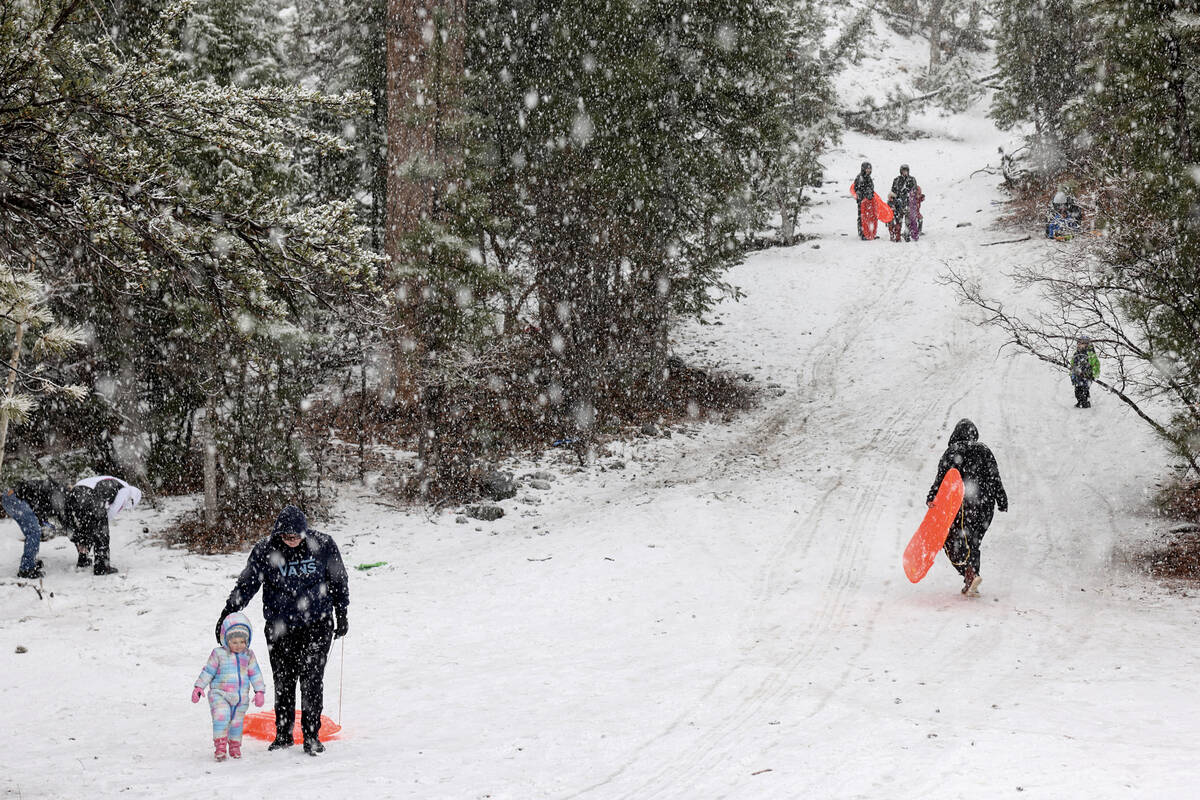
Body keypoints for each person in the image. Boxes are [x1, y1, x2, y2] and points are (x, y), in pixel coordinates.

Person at [215, 505, 349, 755]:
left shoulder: (323, 544)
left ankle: (311, 736)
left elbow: (338, 579)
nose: (292, 541)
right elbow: (246, 584)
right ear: (278, 533)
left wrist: (342, 612)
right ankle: (284, 734)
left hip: (317, 625)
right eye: (287, 536)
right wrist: (228, 613)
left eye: (296, 536)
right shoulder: (266, 550)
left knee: (311, 680)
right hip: (280, 628)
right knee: (284, 681)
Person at [925, 419, 1008, 596]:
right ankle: (971, 576)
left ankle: (969, 573)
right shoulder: (985, 450)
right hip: (986, 505)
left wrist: (932, 497)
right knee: (973, 541)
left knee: (949, 540)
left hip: (964, 503)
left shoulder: (953, 451)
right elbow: (995, 477)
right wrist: (1001, 499)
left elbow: (942, 478)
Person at [193, 611, 266, 761]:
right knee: (222, 717)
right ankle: (220, 746)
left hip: (240, 698)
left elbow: (255, 673)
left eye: (242, 642)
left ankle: (234, 746)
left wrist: (259, 691)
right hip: (220, 694)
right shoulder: (218, 654)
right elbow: (208, 670)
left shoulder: (249, 655)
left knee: (237, 723)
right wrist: (199, 687)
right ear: (226, 640)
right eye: (234, 642)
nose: (238, 646)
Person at [3, 478, 66, 579]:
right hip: (15, 498)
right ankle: (26, 569)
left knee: (34, 531)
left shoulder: (55, 492)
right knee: (34, 532)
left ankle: (29, 562)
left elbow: (40, 509)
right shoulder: (56, 494)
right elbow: (40, 507)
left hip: (10, 497)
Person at [61, 483, 119, 575]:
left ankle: (83, 560)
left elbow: (68, 524)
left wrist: (77, 539)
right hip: (94, 507)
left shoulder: (72, 496)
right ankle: (101, 567)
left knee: (85, 530)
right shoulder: (113, 487)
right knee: (101, 535)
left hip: (84, 508)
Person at [887, 164, 919, 242]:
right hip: (899, 203)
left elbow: (915, 190)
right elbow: (893, 191)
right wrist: (893, 198)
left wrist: (911, 194)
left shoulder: (912, 179)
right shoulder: (896, 180)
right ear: (901, 171)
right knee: (899, 221)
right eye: (903, 171)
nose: (905, 172)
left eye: (906, 171)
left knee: (908, 221)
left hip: (909, 203)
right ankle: (897, 235)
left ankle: (907, 234)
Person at [1070, 336, 1100, 408]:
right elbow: (1072, 364)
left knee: (1084, 389)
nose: (1079, 345)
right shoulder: (1076, 354)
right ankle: (1079, 401)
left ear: (1086, 344)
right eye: (1078, 343)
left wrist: (1094, 375)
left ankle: (1085, 402)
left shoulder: (1091, 355)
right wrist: (1072, 374)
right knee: (1077, 390)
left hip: (1087, 376)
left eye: (1081, 343)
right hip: (1077, 376)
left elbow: (1096, 365)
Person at [852, 162, 877, 240]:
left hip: (869, 201)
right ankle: (862, 233)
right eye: (867, 169)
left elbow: (871, 188)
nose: (869, 170)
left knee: (869, 216)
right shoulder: (860, 177)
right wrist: (863, 195)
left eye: (870, 169)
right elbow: (857, 189)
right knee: (862, 216)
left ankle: (869, 232)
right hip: (862, 201)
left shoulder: (869, 178)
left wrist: (871, 194)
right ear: (863, 169)